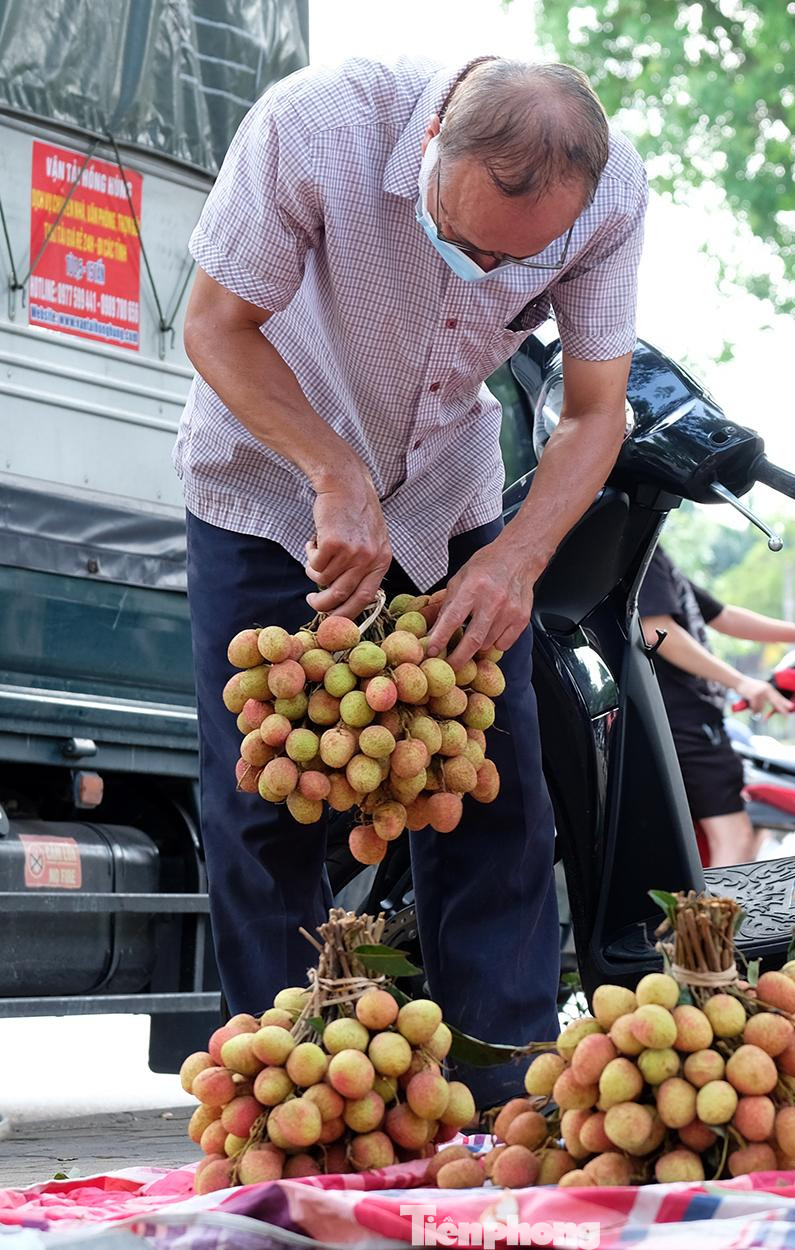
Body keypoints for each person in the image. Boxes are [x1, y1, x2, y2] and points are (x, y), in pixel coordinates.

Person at [174, 55, 648, 1104]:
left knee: (496, 794)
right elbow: (214, 325)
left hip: (448, 494)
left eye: (512, 266)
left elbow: (591, 410)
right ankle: (286, 1095)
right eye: (467, 241)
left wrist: (518, 557)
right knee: (266, 802)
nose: (484, 274)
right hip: (264, 481)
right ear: (432, 139)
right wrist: (331, 469)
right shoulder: (316, 125)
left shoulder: (613, 195)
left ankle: (501, 1095)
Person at [638, 546, 795, 866]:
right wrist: (741, 682)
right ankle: (707, 918)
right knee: (734, 839)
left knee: (744, 838)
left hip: (689, 718)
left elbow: (724, 616)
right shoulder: (639, 548)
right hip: (685, 718)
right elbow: (656, 630)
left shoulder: (654, 556)